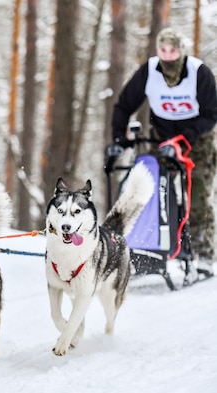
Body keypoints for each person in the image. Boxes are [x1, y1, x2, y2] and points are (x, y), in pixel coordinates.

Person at [111, 27, 217, 277]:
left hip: (196, 140)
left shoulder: (198, 73)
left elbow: (212, 114)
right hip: (161, 137)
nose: (168, 56)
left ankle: (202, 252)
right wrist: (119, 137)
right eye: (163, 50)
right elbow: (124, 105)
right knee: (150, 188)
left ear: (182, 51)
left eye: (173, 50)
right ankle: (146, 247)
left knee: (198, 193)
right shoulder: (149, 71)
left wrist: (185, 139)